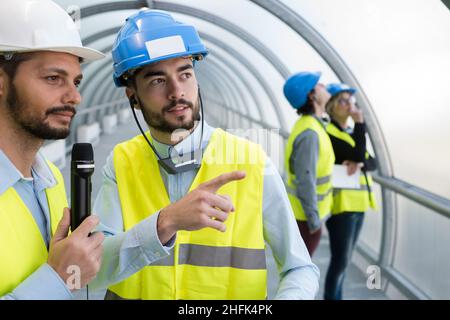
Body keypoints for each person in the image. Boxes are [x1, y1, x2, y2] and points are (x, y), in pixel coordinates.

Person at [94, 9, 320, 300]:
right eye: (157, 80)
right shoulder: (121, 161)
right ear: (132, 96)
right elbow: (94, 270)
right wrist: (166, 223)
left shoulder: (250, 160)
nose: (177, 91)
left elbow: (300, 268)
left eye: (185, 74)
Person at [0, 0, 217, 300]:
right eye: (53, 78)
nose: (75, 96)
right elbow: (64, 277)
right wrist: (57, 279)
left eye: (76, 81)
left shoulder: (50, 180)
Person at [323, 83, 377, 300]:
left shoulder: (350, 133)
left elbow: (371, 162)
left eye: (351, 101)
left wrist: (360, 161)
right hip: (342, 207)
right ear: (332, 106)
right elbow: (359, 155)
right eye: (343, 101)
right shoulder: (330, 133)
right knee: (340, 262)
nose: (349, 105)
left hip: (358, 205)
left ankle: (337, 297)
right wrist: (361, 123)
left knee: (344, 262)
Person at [283, 72, 335, 257]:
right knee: (302, 275)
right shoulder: (310, 133)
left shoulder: (310, 125)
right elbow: (306, 180)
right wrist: (314, 222)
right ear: (311, 95)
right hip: (306, 219)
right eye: (319, 84)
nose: (324, 86)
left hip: (304, 216)